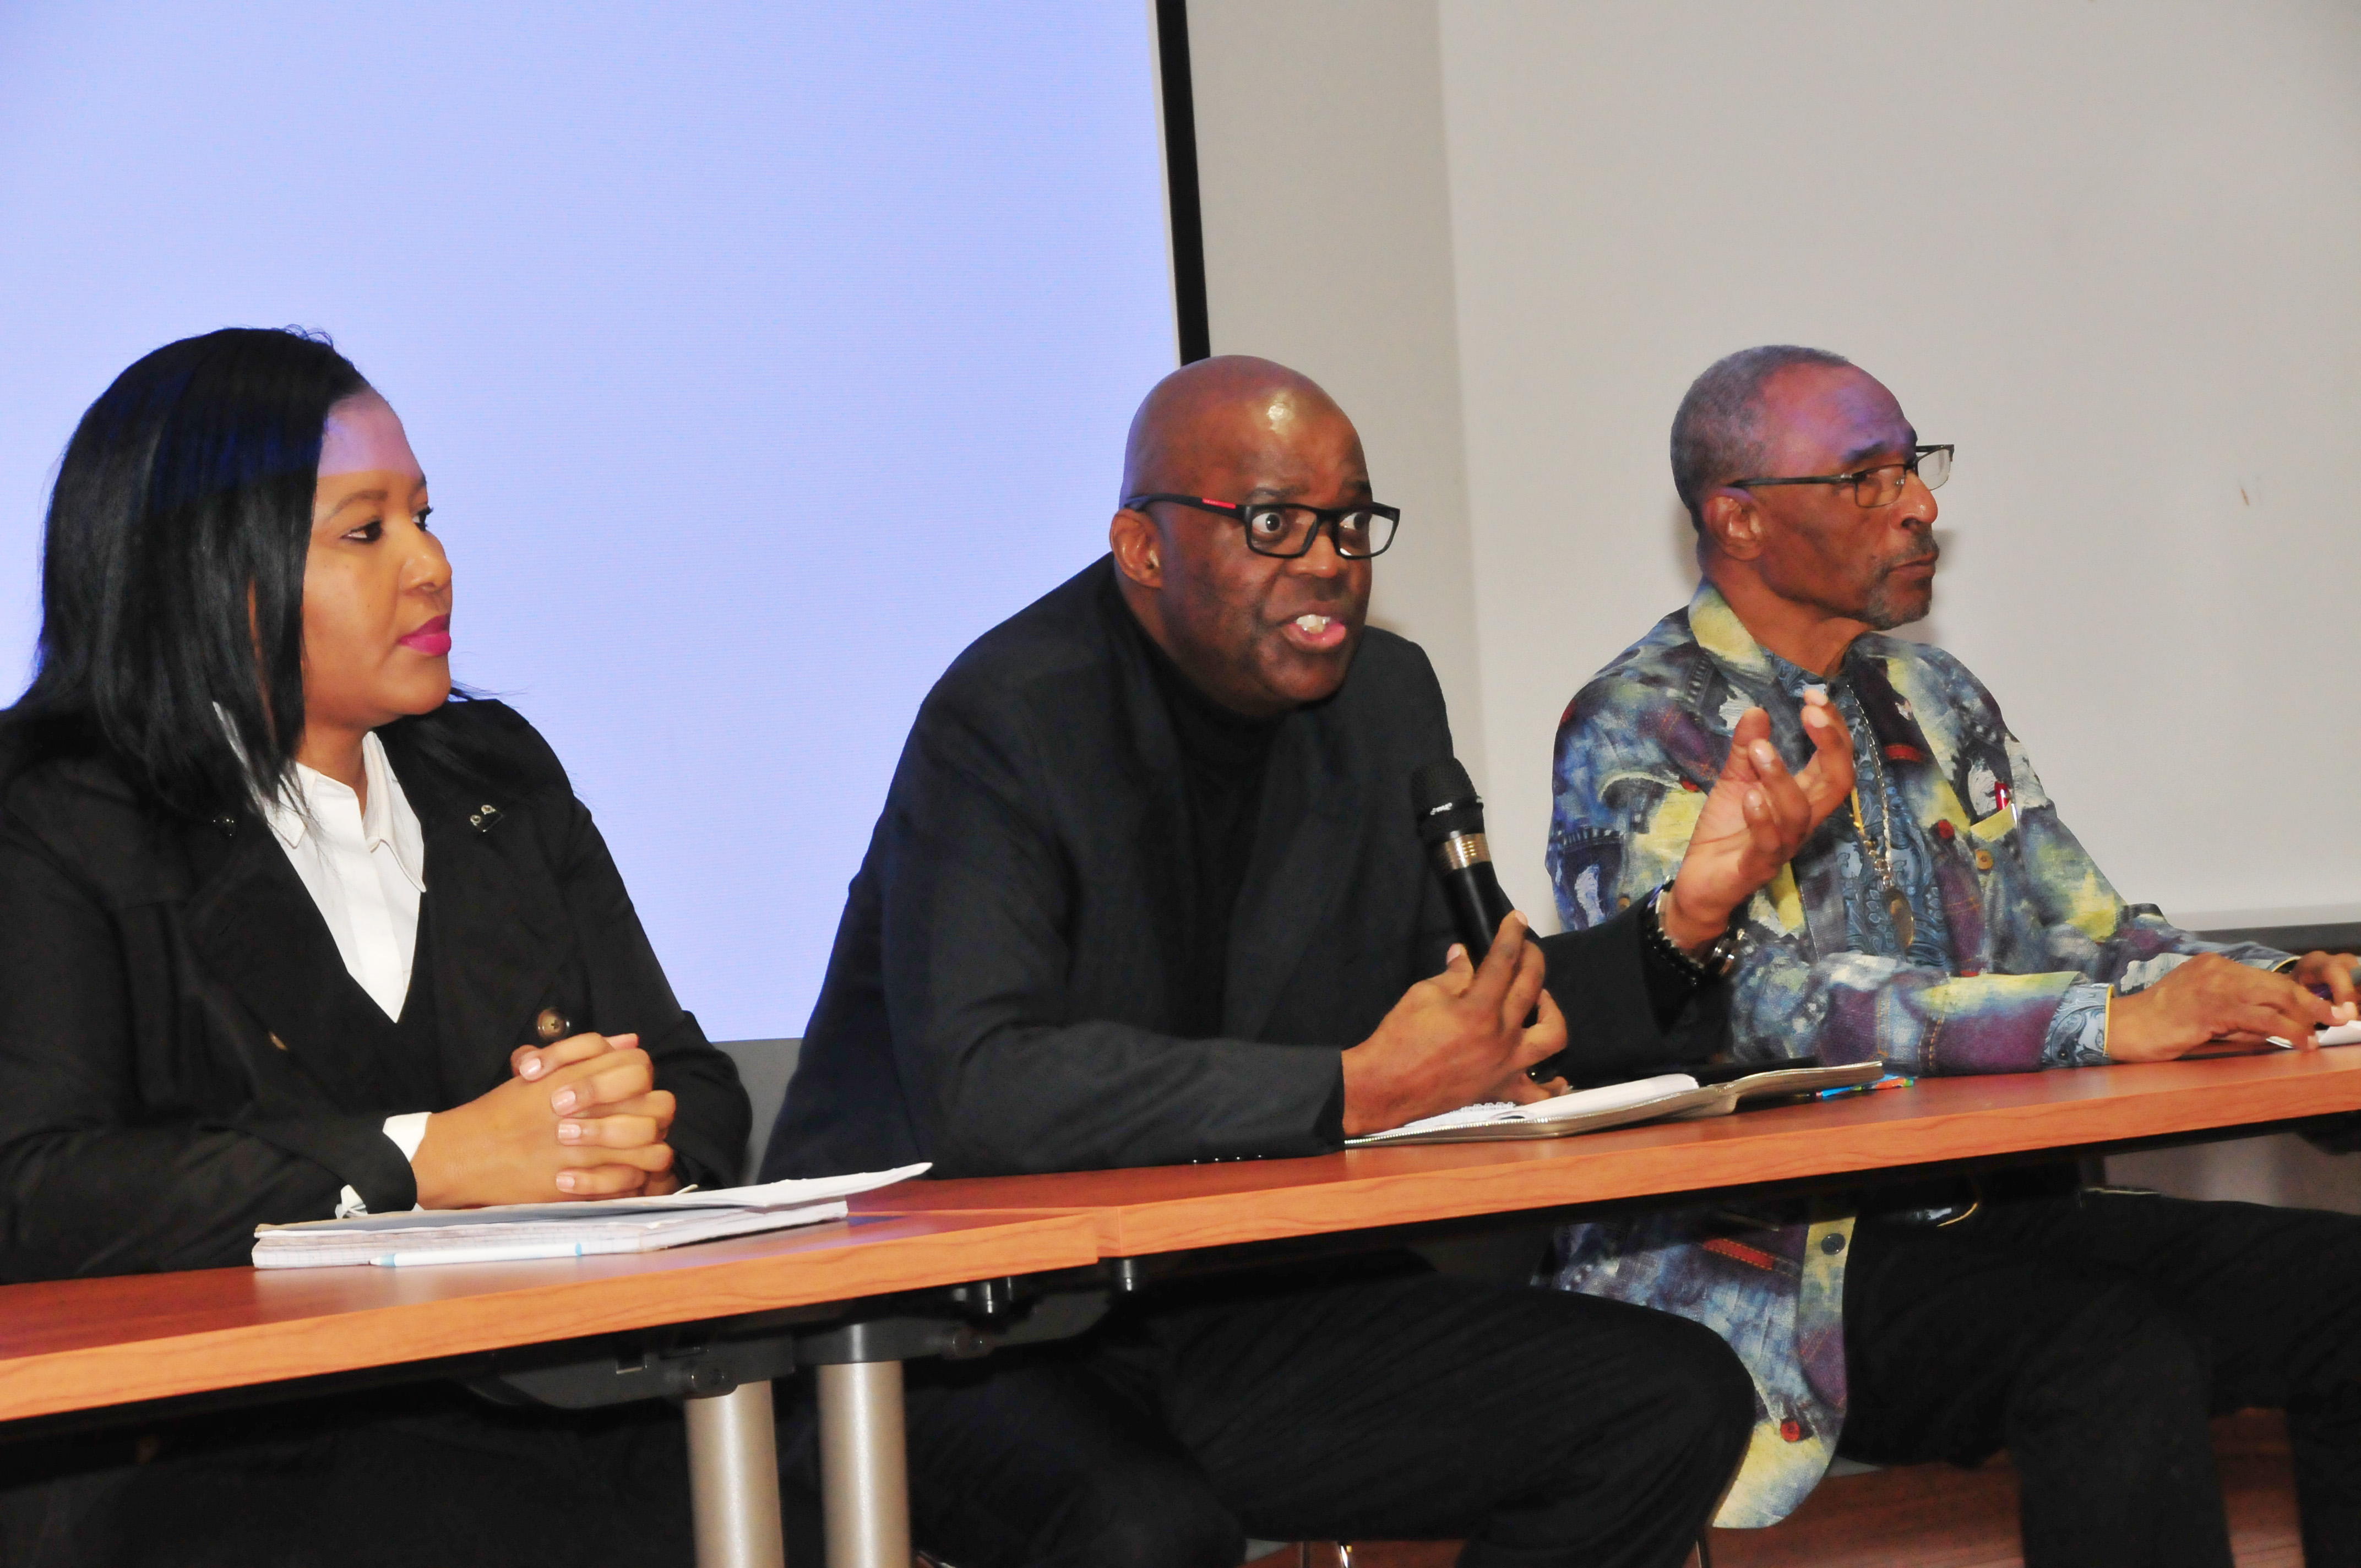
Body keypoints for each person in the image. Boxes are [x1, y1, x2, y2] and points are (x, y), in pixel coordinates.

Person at [765, 355, 1858, 1568]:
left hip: (1230, 1293)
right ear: (1142, 544)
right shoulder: (1008, 715)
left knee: (1667, 1398)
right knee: (1144, 1531)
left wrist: (1683, 922)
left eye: (1348, 521)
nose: (1330, 559)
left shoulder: (1380, 698)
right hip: (959, 1324)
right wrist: (1353, 1086)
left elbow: (1480, 1020)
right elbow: (987, 1083)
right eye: (1275, 523)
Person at [1542, 342, 2361, 1566]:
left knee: (2339, 1288)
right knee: (2110, 1349)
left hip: (1993, 1206)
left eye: (1912, 466)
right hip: (1781, 1260)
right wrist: (2100, 1023)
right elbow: (1757, 1006)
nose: (1920, 504)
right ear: (1740, 519)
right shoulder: (1638, 720)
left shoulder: (1933, 693)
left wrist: (2271, 980)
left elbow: (2096, 930)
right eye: (1867, 477)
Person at [0, 328, 751, 1566]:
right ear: (209, 571)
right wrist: (427, 1158)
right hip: (243, 1448)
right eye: (366, 531)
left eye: (426, 517)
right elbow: (37, 1188)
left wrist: (628, 1131)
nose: (433, 566)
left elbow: (697, 1083)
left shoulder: (493, 775)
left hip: (572, 1403)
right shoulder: (62, 819)